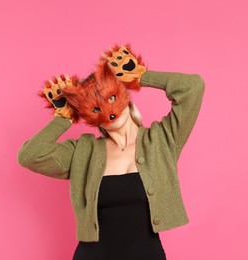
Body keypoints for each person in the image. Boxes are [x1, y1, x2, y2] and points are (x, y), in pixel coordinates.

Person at [17, 44, 205, 260]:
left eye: (112, 98)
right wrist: (66, 116)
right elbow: (30, 155)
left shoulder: (162, 140)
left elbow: (193, 87)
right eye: (96, 108)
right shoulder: (83, 152)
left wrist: (140, 77)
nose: (110, 112)